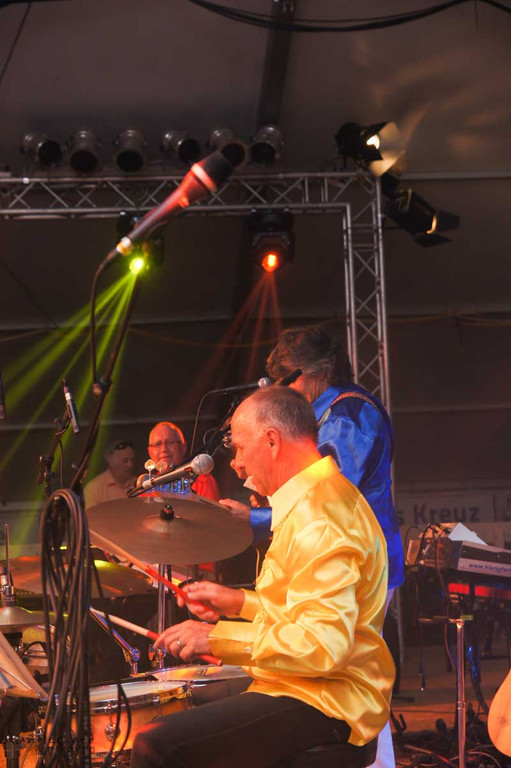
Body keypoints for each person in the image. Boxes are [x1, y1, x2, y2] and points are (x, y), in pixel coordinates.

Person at [130, 386, 395, 768]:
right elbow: (302, 607)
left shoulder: (320, 519)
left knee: (153, 744)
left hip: (326, 697)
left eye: (239, 448)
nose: (236, 464)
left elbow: (322, 646)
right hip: (305, 682)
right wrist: (237, 603)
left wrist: (215, 637)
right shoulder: (315, 500)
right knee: (178, 704)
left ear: (271, 441)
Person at [219, 324, 404, 768]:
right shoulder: (325, 414)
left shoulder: (350, 414)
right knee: (337, 667)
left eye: (286, 380)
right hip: (332, 549)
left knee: (354, 680)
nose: (281, 390)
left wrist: (256, 518)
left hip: (357, 558)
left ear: (315, 372)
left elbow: (328, 495)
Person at [146, 420, 220, 500]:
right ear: (150, 452)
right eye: (158, 444)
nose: (164, 449)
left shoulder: (202, 480)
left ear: (183, 447)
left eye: (170, 442)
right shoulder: (147, 485)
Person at [83, 439, 136, 508]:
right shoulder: (94, 488)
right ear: (110, 461)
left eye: (132, 460)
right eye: (125, 461)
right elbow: (91, 514)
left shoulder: (139, 484)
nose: (130, 465)